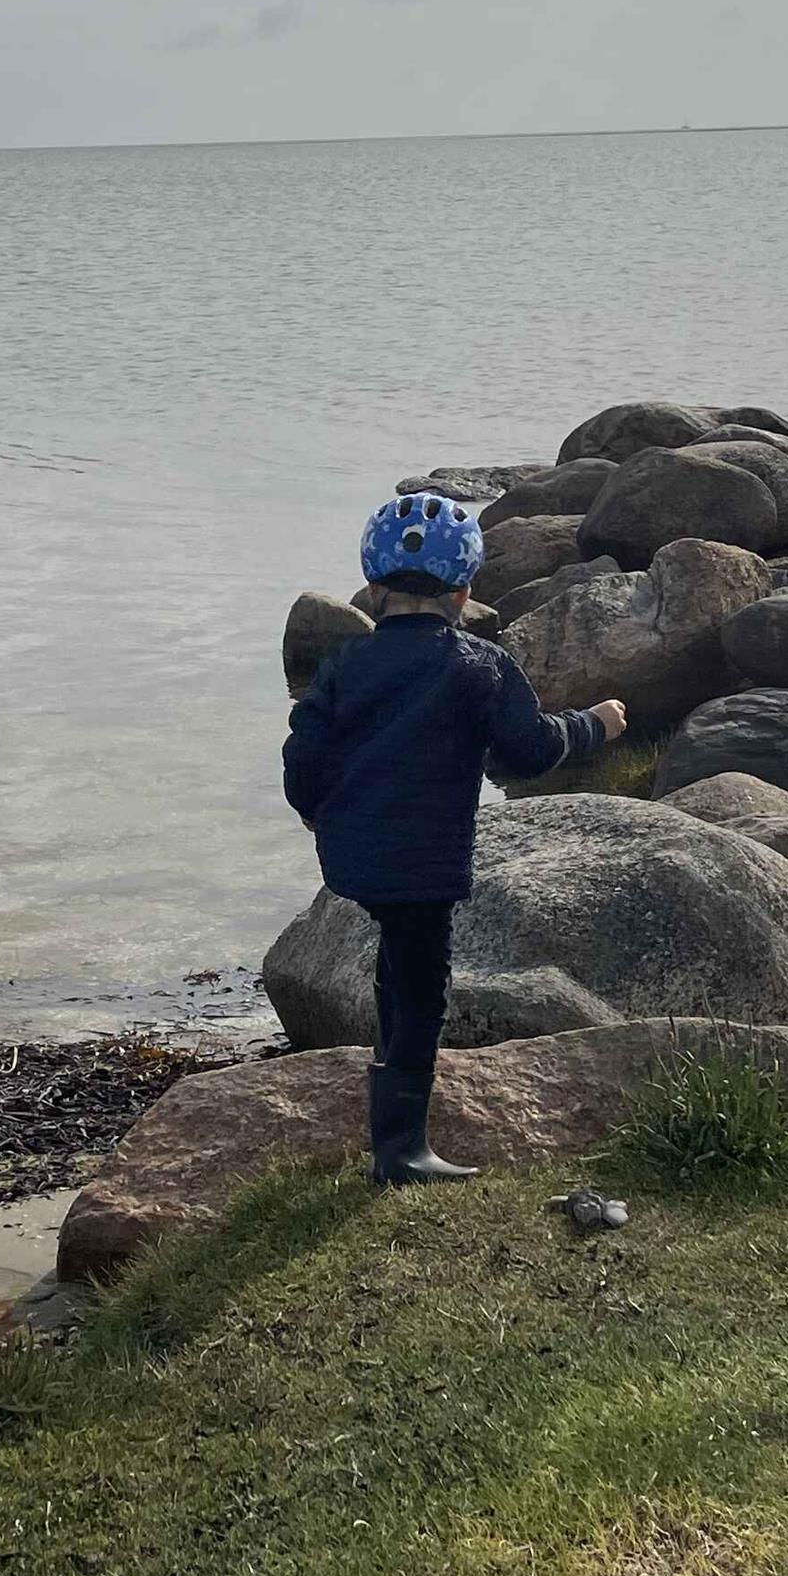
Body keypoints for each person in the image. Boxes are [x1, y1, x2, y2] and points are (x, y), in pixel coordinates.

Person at [281, 488, 627, 1187]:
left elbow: (302, 758)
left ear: (372, 590)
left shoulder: (345, 664)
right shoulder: (478, 665)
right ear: (465, 593)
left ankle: (390, 1111)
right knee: (423, 988)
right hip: (425, 861)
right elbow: (529, 751)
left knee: (399, 961)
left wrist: (317, 811)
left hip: (353, 855)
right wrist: (594, 724)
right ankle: (401, 1149)